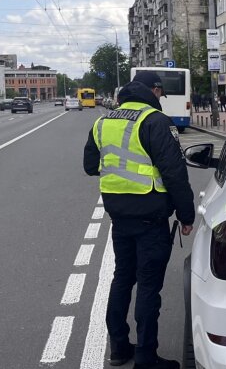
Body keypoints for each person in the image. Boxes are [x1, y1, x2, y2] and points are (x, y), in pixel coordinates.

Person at [83, 71, 195, 369]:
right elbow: (174, 173)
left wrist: (120, 175)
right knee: (148, 287)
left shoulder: (103, 121)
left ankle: (119, 348)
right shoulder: (155, 121)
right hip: (151, 218)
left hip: (119, 216)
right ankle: (146, 357)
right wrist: (187, 214)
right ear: (154, 91)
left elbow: (90, 166)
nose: (161, 99)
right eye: (161, 94)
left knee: (122, 279)